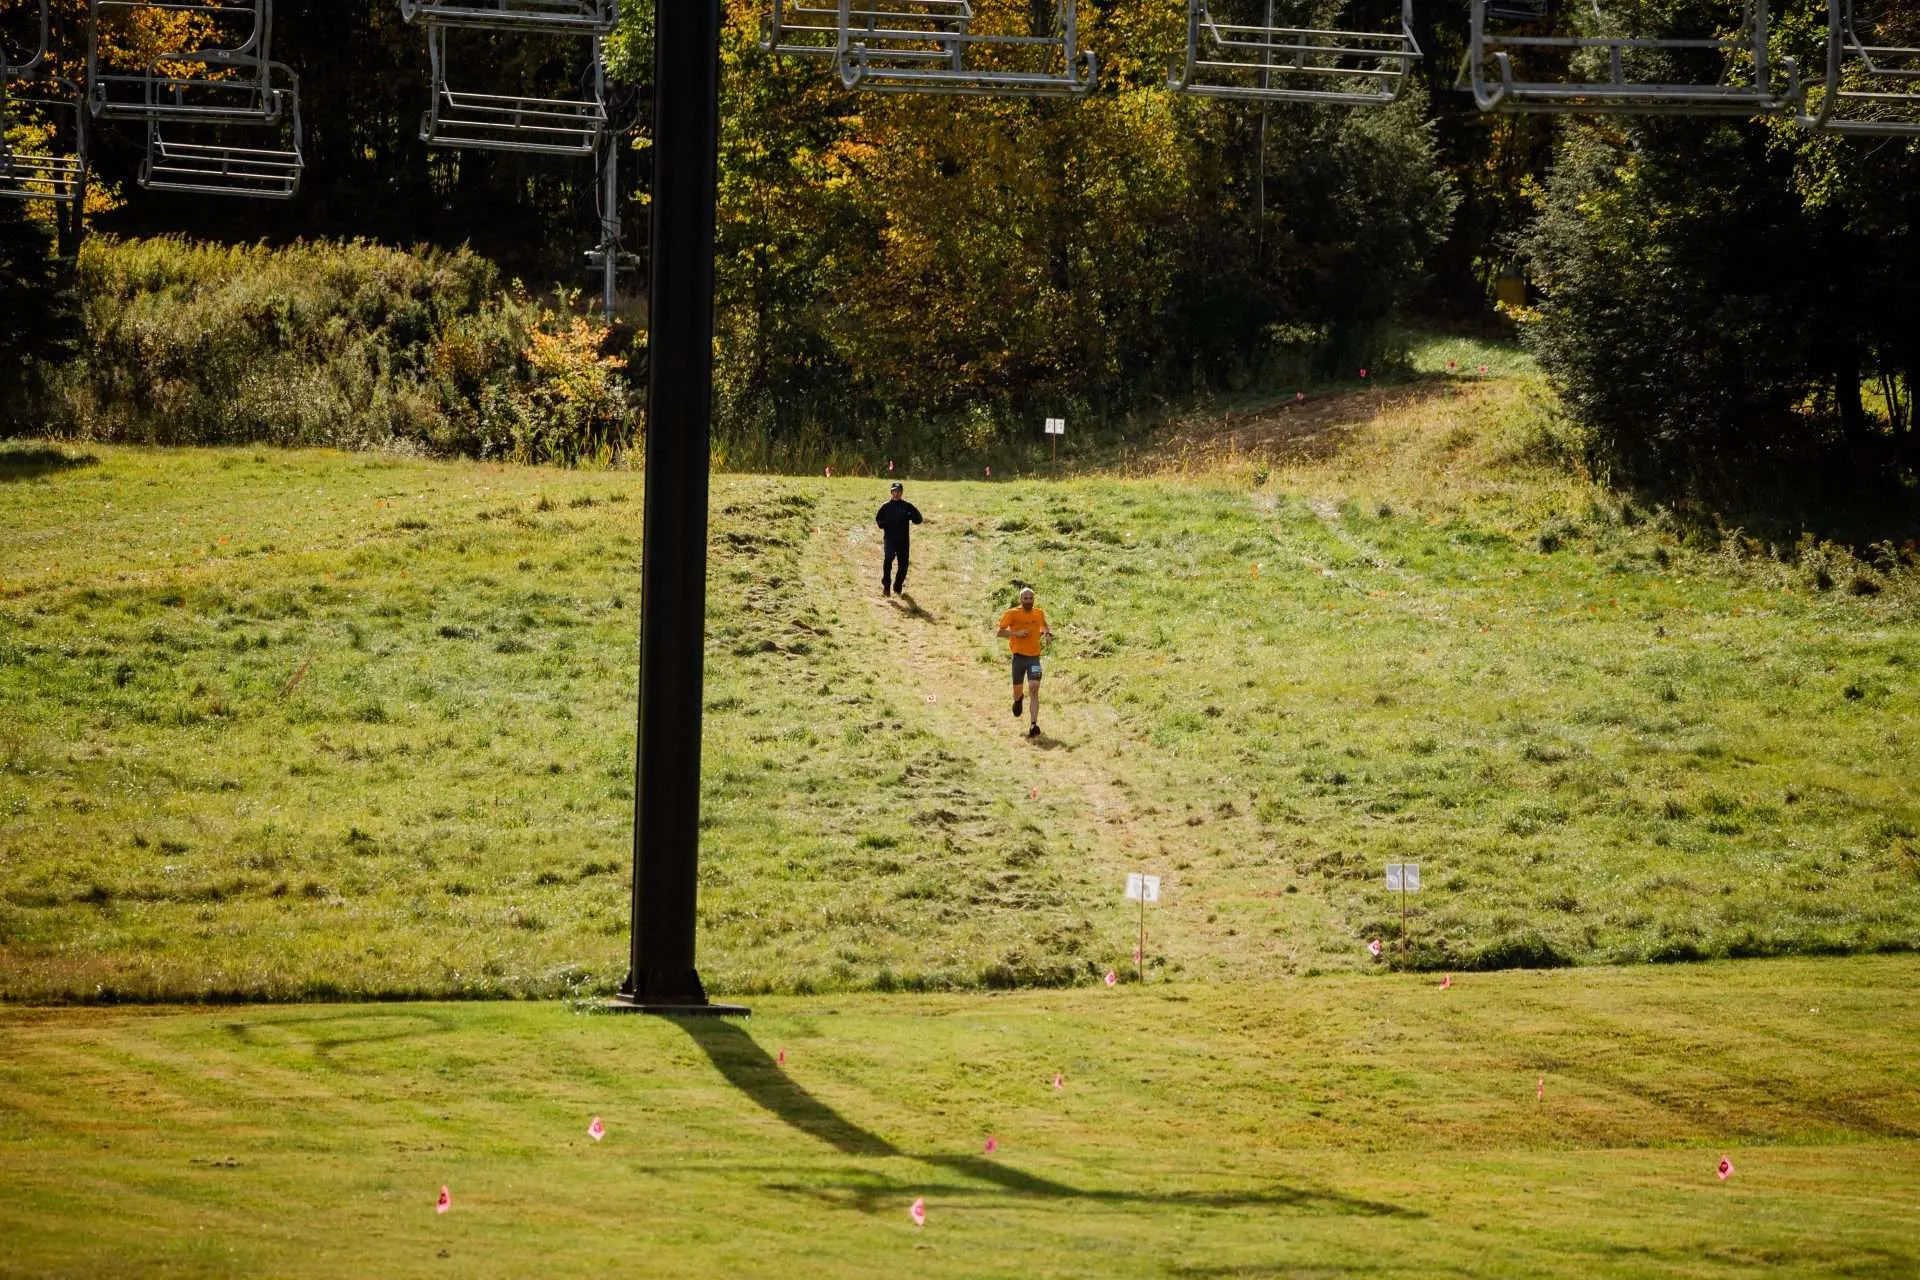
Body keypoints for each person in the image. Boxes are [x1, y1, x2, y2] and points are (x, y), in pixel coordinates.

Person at [997, 586, 1051, 738]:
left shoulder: (1038, 613)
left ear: (1034, 599)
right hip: (1019, 658)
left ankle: (1033, 725)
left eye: (1030, 598)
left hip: (1034, 659)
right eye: (1025, 598)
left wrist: (1047, 635)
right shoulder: (1012, 613)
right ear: (1020, 599)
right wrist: (1016, 633)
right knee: (1017, 691)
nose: (1028, 601)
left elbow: (1044, 626)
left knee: (1034, 689)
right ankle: (1018, 700)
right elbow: (999, 632)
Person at [874, 481, 923, 597]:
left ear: (902, 493)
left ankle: (897, 586)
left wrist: (912, 516)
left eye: (898, 491)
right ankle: (886, 586)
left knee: (904, 564)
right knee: (888, 559)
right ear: (891, 492)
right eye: (894, 491)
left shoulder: (907, 506)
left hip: (903, 541)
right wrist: (882, 524)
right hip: (889, 539)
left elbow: (919, 519)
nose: (896, 494)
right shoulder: (885, 506)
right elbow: (878, 518)